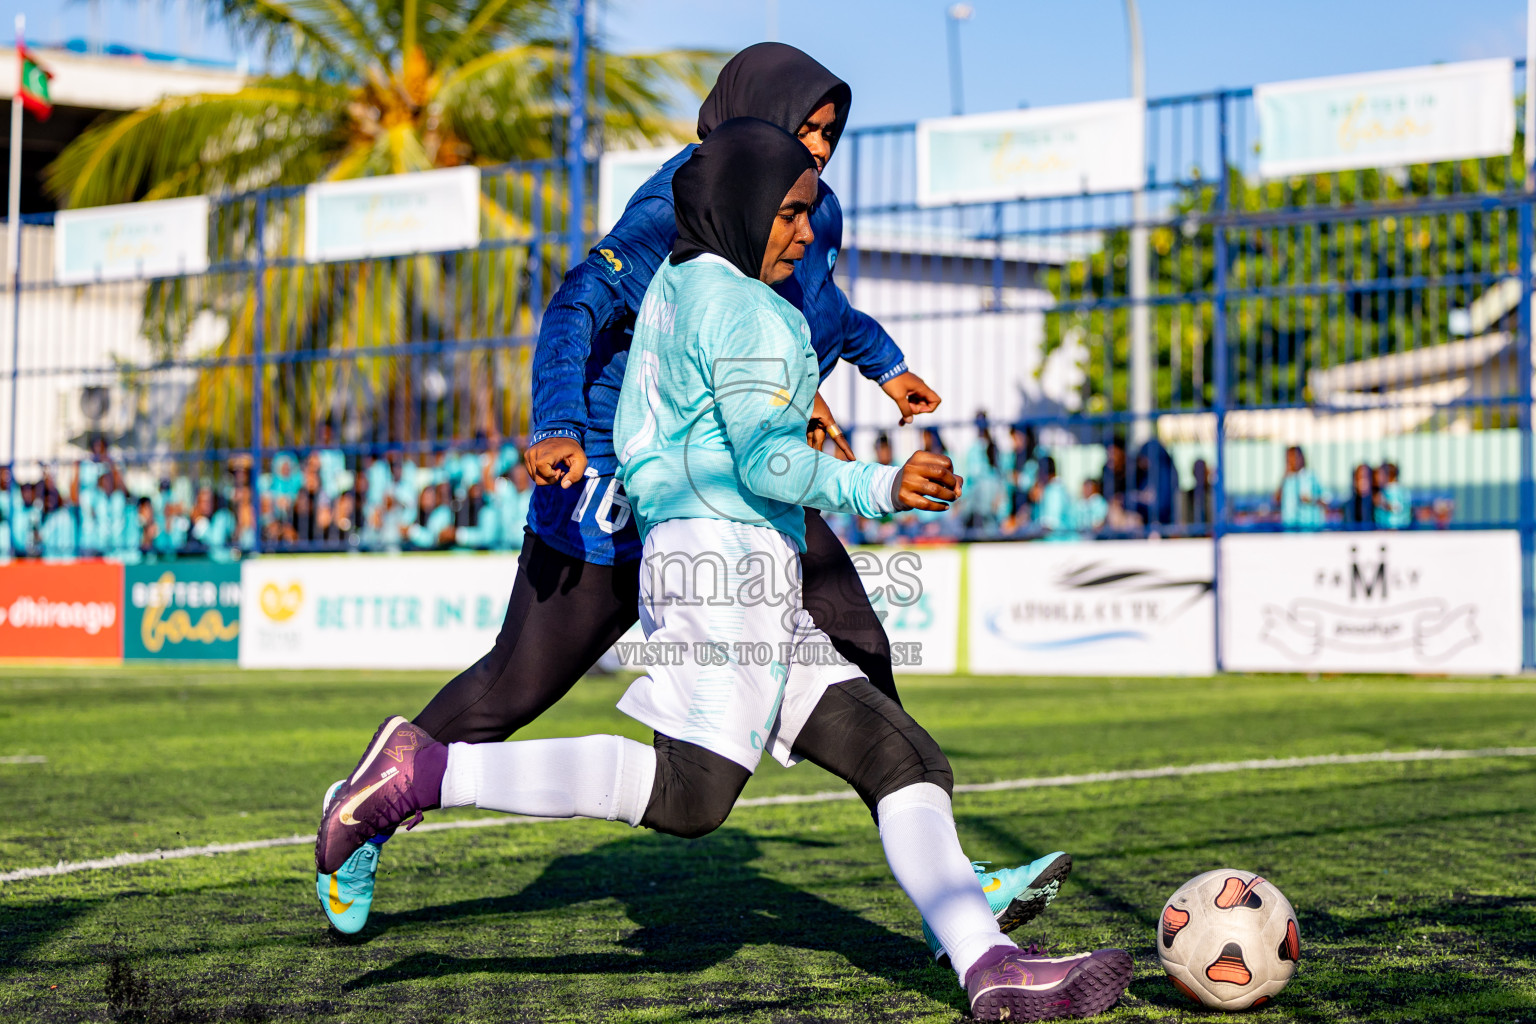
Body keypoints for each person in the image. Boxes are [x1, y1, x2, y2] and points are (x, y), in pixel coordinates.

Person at [314, 121, 1131, 1021]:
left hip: (741, 566)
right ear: (743, 205)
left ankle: (991, 967)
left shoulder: (698, 278)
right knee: (689, 794)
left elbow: (769, 396)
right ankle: (423, 775)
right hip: (721, 563)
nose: (805, 233)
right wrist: (883, 483)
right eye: (789, 214)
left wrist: (864, 373)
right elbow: (768, 465)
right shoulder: (742, 306)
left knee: (902, 758)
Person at [1276, 445, 1327, 531]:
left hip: (1309, 528)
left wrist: (1311, 499)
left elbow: (1326, 501)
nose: (1291, 461)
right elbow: (1276, 500)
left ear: (1301, 457)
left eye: (1294, 457)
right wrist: (1284, 477)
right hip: (1289, 529)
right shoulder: (1287, 479)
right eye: (1289, 458)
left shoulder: (1311, 477)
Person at [1374, 462, 1411, 529]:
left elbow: (1397, 508)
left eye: (1379, 474)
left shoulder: (1395, 490)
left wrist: (1382, 503)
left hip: (1394, 529)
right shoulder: (1386, 489)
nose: (1376, 477)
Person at [1343, 463, 1375, 530]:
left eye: (1366, 477)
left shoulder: (1377, 505)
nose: (1363, 481)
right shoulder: (1349, 505)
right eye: (1360, 477)